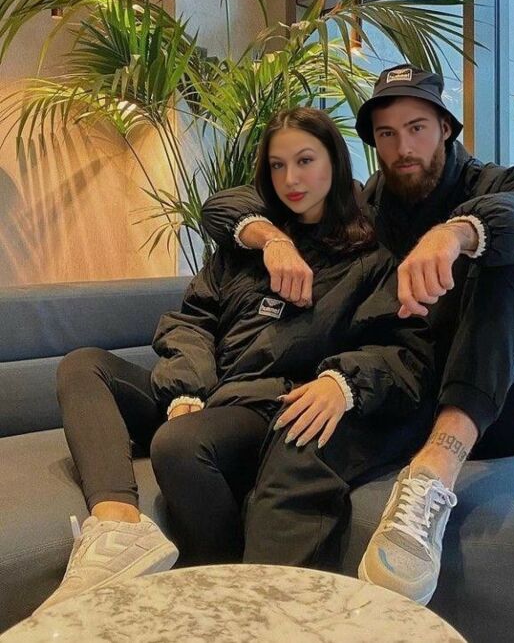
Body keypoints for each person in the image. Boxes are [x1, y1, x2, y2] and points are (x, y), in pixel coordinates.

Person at [200, 65, 514, 605]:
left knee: (504, 251)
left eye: (417, 128)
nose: (404, 147)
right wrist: (272, 240)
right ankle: (270, 613)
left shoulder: (492, 185)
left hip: (495, 410)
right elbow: (224, 206)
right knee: (300, 439)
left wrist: (459, 233)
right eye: (387, 134)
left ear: (445, 127)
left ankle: (434, 473)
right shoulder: (367, 204)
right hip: (405, 391)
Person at [37, 106, 433, 612]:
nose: (291, 179)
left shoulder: (371, 256)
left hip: (260, 405)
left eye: (305, 161)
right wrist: (186, 390)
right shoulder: (246, 245)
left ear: (335, 163)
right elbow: (191, 321)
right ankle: (118, 526)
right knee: (83, 364)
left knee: (178, 444)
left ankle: (220, 582)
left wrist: (341, 381)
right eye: (277, 165)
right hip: (200, 393)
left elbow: (397, 347)